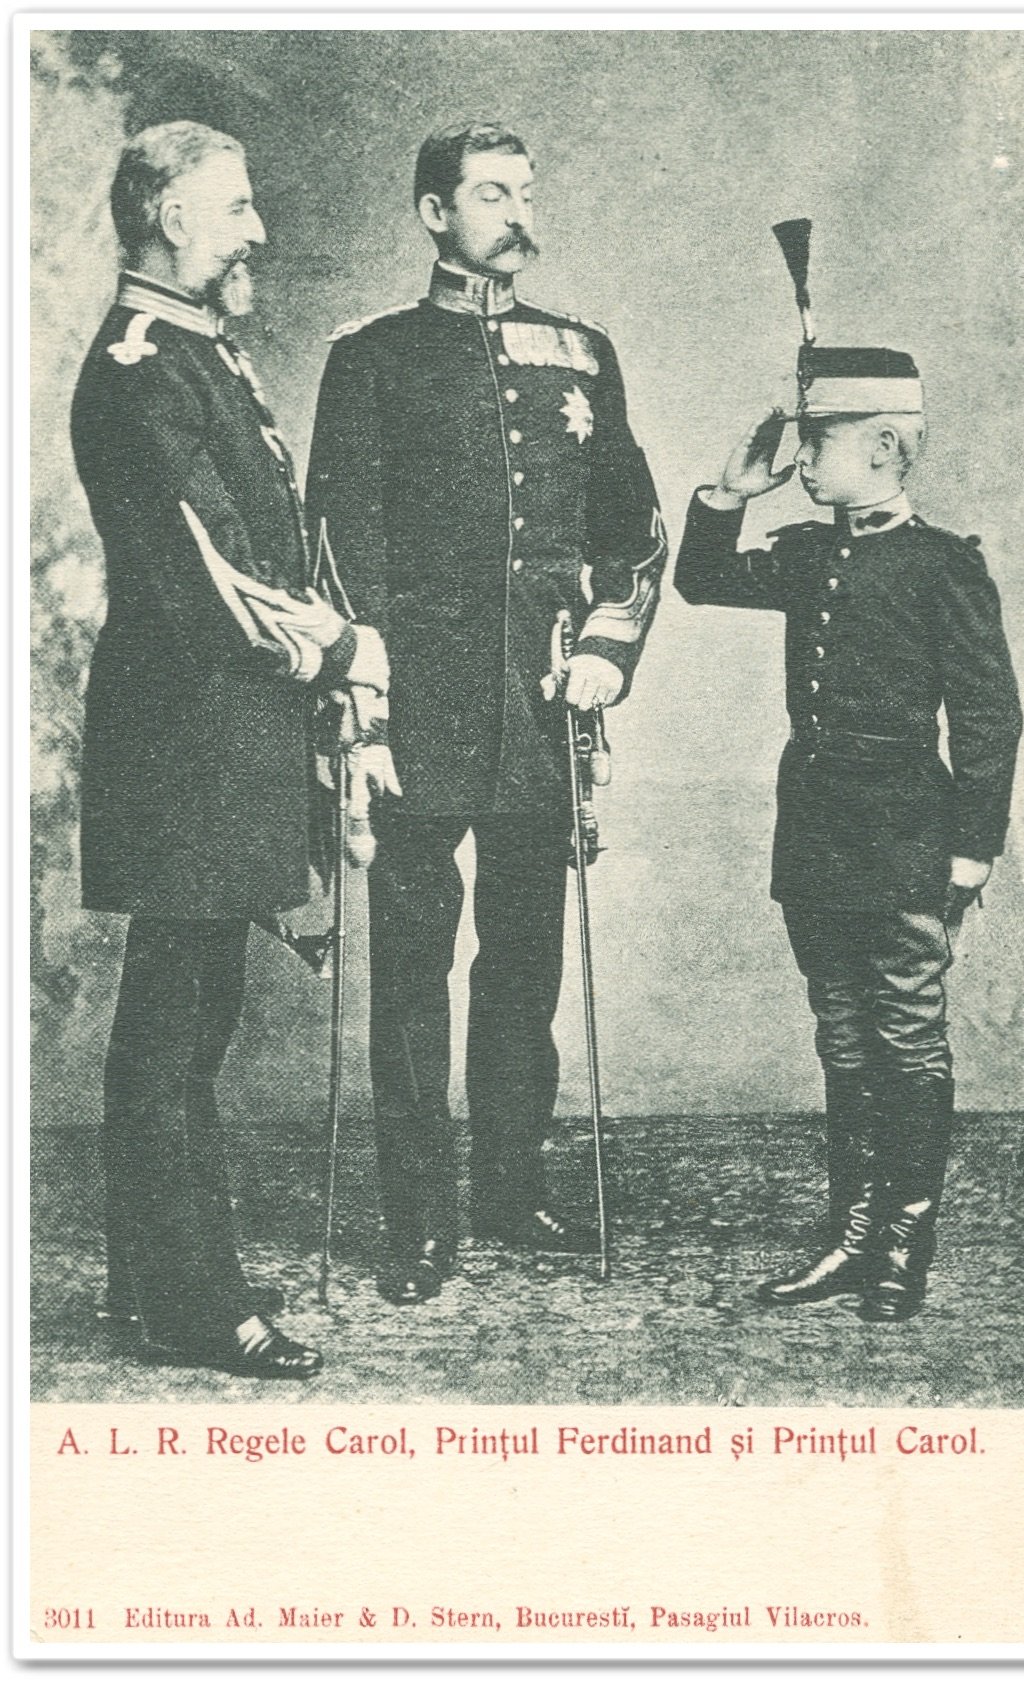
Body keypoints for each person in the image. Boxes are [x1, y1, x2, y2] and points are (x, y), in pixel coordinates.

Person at [306, 120, 665, 1305]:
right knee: (412, 963)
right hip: (419, 705)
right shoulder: (372, 358)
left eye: (527, 189)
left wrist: (610, 646)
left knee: (523, 958)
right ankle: (419, 1218)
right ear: (431, 213)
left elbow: (634, 531)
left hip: (543, 700)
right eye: (493, 192)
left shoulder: (583, 353)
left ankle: (511, 1186)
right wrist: (364, 699)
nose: (518, 212)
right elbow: (336, 540)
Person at [71, 121, 385, 1377]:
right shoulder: (141, 363)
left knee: (185, 1017)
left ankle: (147, 1280)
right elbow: (212, 580)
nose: (258, 230)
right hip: (182, 734)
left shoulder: (203, 355)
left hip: (221, 732)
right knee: (174, 1029)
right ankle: (197, 1300)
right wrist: (339, 653)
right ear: (165, 216)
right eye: (238, 207)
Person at [674, 343, 1022, 1322]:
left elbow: (990, 716)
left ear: (882, 446)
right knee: (842, 1034)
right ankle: (852, 1236)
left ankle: (904, 1241)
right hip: (817, 837)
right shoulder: (804, 551)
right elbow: (700, 581)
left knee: (905, 1035)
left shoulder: (941, 565)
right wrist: (729, 491)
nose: (800, 454)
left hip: (908, 833)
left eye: (816, 438)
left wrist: (973, 846)